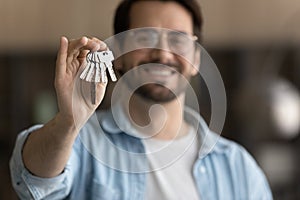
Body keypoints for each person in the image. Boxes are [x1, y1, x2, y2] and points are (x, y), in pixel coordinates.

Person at [10, 0, 273, 199]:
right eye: (145, 37)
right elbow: (34, 179)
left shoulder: (238, 166)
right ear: (120, 54)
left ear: (195, 59)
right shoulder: (82, 142)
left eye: (178, 40)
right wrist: (69, 122)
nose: (163, 54)